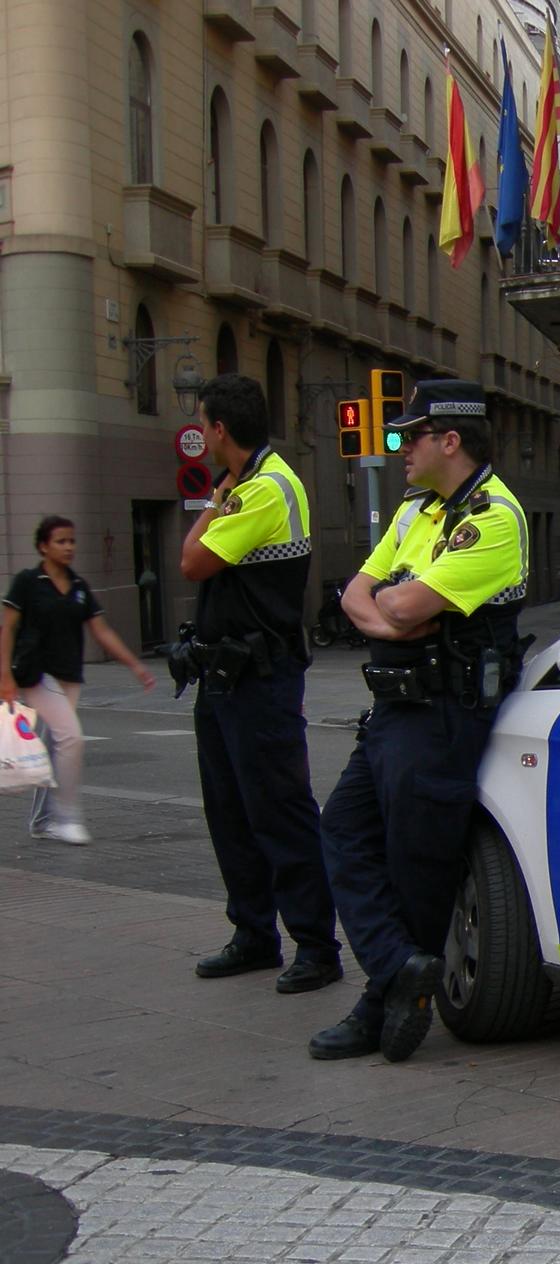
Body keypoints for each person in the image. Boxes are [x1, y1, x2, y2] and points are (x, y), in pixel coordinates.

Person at [310, 379, 531, 1063]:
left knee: (416, 865)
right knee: (342, 829)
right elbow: (356, 595)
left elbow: (400, 610)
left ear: (451, 440)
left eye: (411, 436)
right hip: (392, 708)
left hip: (442, 715)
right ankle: (396, 969)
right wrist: (394, 610)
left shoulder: (494, 518)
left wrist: (395, 611)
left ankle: (386, 998)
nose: (399, 448)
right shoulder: (415, 509)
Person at [180, 374, 344, 995]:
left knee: (279, 810)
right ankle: (253, 933)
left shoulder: (266, 489)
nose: (199, 435)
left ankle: (315, 945)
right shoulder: (246, 485)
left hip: (260, 678)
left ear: (220, 430)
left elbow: (191, 560)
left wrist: (215, 501)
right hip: (223, 675)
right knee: (229, 811)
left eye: (203, 425)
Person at [1, 515, 156, 842]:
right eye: (60, 541)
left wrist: (134, 665)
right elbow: (9, 628)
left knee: (54, 745)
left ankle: (42, 820)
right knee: (71, 737)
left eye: (71, 541)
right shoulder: (28, 582)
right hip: (36, 674)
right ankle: (67, 818)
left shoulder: (79, 588)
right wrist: (5, 676)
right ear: (43, 546)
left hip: (69, 676)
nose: (69, 547)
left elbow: (101, 631)